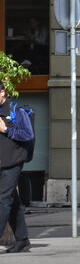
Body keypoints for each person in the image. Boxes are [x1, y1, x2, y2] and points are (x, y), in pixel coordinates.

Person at [0, 87, 33, 253]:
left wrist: (6, 129)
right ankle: (22, 239)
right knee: (13, 203)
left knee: (2, 200)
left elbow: (28, 134)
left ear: (2, 92)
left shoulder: (16, 110)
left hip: (13, 162)